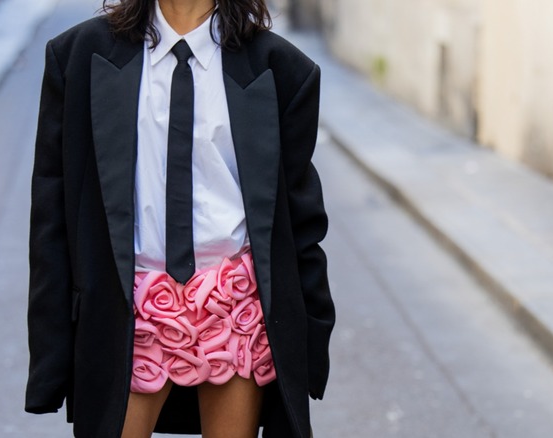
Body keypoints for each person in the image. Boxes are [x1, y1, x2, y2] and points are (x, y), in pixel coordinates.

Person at [24, 0, 335, 436]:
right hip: (128, 309)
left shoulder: (281, 70)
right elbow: (51, 218)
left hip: (234, 306)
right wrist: (50, 351)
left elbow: (301, 222)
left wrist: (311, 342)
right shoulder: (79, 57)